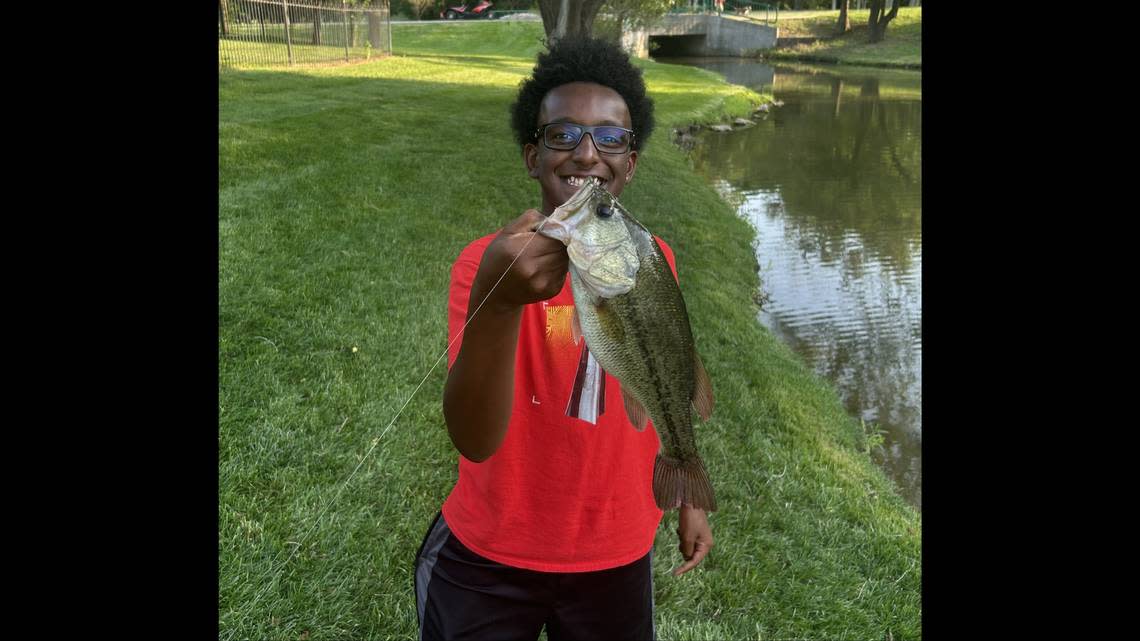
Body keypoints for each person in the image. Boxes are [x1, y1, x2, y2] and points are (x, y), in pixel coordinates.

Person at [414, 36, 713, 641]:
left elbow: (668, 376)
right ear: (532, 156)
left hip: (617, 547)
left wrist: (690, 496)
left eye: (609, 138)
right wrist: (496, 305)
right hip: (491, 548)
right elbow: (474, 438)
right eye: (563, 135)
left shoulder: (657, 261)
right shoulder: (485, 266)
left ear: (630, 162)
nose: (586, 153)